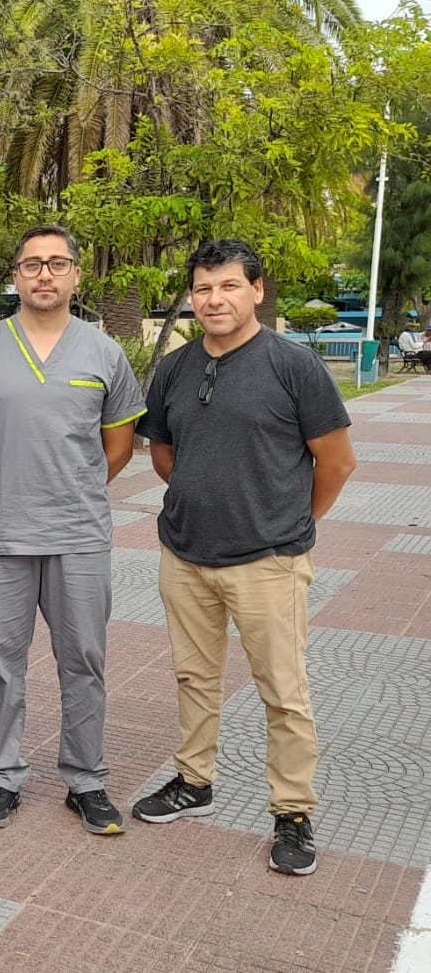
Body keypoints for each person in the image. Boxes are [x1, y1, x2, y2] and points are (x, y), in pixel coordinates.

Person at [132, 239, 356, 877]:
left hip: (268, 560)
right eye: (203, 289)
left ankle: (291, 813)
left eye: (228, 286)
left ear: (257, 290)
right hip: (186, 555)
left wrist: (293, 523)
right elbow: (165, 454)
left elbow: (336, 462)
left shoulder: (294, 366)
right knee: (194, 678)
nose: (213, 299)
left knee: (283, 693)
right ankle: (193, 782)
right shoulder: (174, 369)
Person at [0, 225, 145, 836]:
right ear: (14, 276)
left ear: (75, 276)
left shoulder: (103, 352)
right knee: (0, 661)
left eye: (57, 264)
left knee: (83, 660)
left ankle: (85, 780)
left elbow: (119, 443)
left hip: (79, 534)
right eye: (32, 264)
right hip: (3, 535)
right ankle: (3, 776)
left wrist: (77, 485)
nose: (44, 275)